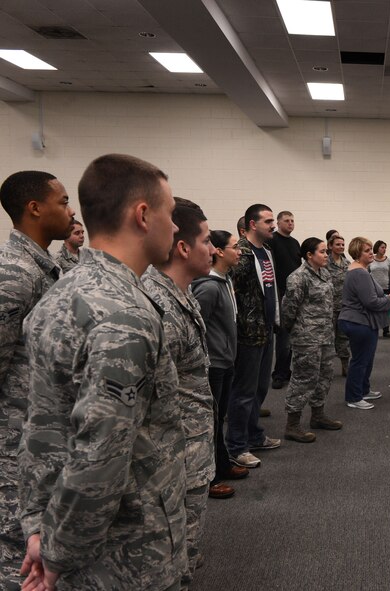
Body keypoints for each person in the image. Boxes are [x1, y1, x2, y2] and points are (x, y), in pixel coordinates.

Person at [18, 154, 186, 590]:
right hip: (123, 550)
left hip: (61, 526)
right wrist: (59, 556)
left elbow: (41, 429)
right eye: (170, 214)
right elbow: (101, 456)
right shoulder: (123, 316)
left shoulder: (60, 295)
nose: (177, 227)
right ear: (143, 215)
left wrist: (39, 528)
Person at [0, 171, 71, 591]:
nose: (70, 209)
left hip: (38, 437)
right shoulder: (14, 274)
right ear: (34, 208)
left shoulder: (45, 267)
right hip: (13, 443)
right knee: (16, 555)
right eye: (62, 201)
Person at [142, 197, 215, 589]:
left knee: (185, 548)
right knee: (172, 559)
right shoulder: (159, 307)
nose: (214, 249)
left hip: (192, 445)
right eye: (206, 240)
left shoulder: (181, 294)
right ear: (184, 248)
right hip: (174, 455)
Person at [192, 230, 249, 498]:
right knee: (210, 421)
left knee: (219, 419)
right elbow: (196, 326)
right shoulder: (208, 286)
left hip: (226, 360)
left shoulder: (225, 281)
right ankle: (209, 476)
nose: (240, 252)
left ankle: (222, 464)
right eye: (235, 247)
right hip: (214, 363)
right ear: (219, 251)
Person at [227, 204, 282, 470]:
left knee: (260, 388)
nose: (273, 225)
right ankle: (237, 446)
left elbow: (270, 290)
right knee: (244, 392)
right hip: (248, 334)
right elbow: (231, 290)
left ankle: (254, 435)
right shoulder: (242, 253)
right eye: (268, 221)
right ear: (252, 224)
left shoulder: (266, 251)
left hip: (267, 329)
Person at [281, 237, 343, 440]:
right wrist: (297, 331)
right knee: (303, 378)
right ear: (309, 255)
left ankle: (317, 415)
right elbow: (288, 310)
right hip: (306, 338)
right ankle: (292, 424)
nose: (327, 255)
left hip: (325, 335)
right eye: (322, 252)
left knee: (325, 375)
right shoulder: (297, 278)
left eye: (326, 251)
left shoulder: (324, 273)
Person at [339, 237, 390, 409]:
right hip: (358, 322)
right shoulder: (359, 273)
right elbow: (371, 301)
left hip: (361, 321)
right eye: (366, 250)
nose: (371, 252)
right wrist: (389, 299)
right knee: (360, 361)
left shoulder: (360, 271)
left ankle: (363, 390)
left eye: (371, 249)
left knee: (366, 359)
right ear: (357, 253)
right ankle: (354, 398)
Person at [270, 211, 302, 390]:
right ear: (278, 222)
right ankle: (279, 374)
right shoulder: (272, 241)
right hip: (280, 293)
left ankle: (287, 370)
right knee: (283, 338)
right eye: (286, 221)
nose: (290, 223)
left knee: (292, 336)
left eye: (292, 220)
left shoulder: (295, 242)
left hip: (294, 293)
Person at [327, 234, 351, 376]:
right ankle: (326, 367)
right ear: (330, 246)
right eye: (338, 244)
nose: (341, 247)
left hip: (343, 307)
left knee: (343, 338)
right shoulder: (324, 263)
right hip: (328, 307)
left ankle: (345, 365)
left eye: (342, 244)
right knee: (328, 338)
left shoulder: (347, 264)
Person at [368, 240, 390, 338]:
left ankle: (386, 330)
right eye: (382, 247)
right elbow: (366, 273)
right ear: (377, 248)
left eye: (385, 247)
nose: (384, 249)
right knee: (374, 309)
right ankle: (373, 328)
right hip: (373, 288)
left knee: (385, 310)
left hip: (385, 288)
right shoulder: (371, 260)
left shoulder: (388, 261)